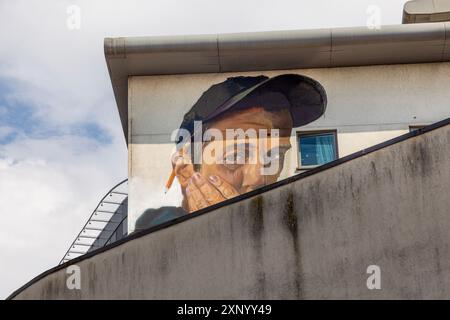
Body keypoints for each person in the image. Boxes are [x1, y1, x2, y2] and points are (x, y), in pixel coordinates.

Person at [134, 74, 327, 231]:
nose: (261, 177)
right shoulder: (149, 246)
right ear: (186, 171)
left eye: (275, 156)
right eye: (235, 157)